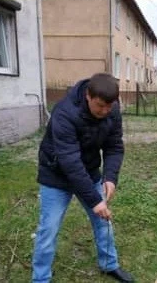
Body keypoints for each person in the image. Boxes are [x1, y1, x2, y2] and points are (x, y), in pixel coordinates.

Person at [33, 73, 134, 282]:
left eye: (109, 106)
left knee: (103, 223)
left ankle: (109, 264)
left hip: (88, 171)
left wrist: (110, 177)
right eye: (100, 106)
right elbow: (70, 162)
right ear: (88, 95)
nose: (105, 111)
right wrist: (95, 200)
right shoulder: (64, 113)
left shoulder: (112, 110)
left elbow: (114, 146)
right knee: (48, 229)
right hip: (56, 175)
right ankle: (40, 278)